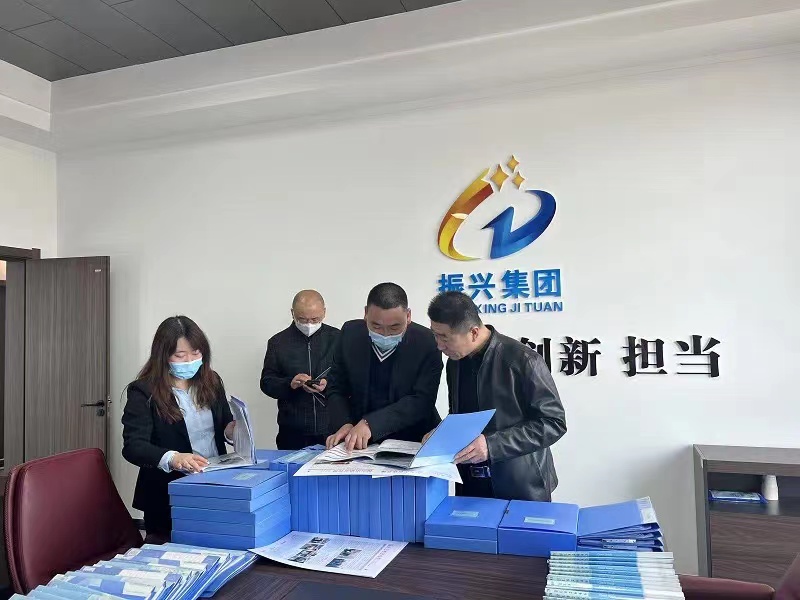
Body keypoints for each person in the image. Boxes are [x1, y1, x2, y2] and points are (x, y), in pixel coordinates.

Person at [426, 291, 566, 501]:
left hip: (521, 486)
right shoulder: (455, 363)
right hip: (470, 484)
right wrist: (443, 433)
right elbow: (460, 415)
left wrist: (492, 446)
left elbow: (553, 422)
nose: (439, 345)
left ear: (473, 332)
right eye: (435, 335)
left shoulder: (523, 360)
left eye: (445, 337)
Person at [122, 316, 235, 541]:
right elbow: (134, 446)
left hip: (213, 482)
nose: (189, 361)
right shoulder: (143, 391)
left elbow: (224, 424)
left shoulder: (211, 381)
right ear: (163, 356)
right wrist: (173, 458)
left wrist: (233, 431)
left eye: (196, 353)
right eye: (180, 356)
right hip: (167, 492)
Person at [326, 282, 443, 451]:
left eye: (395, 327)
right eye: (376, 326)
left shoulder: (427, 342)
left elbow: (422, 400)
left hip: (412, 439)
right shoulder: (350, 334)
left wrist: (371, 424)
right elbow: (336, 387)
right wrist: (344, 423)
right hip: (359, 441)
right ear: (366, 313)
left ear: (408, 316)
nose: (385, 335)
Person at [260, 290, 340, 449]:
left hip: (332, 429)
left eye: (315, 319)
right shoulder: (278, 342)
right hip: (292, 432)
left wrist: (328, 384)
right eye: (302, 319)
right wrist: (290, 384)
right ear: (292, 313)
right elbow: (267, 383)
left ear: (324, 312)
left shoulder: (339, 338)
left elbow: (351, 379)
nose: (309, 324)